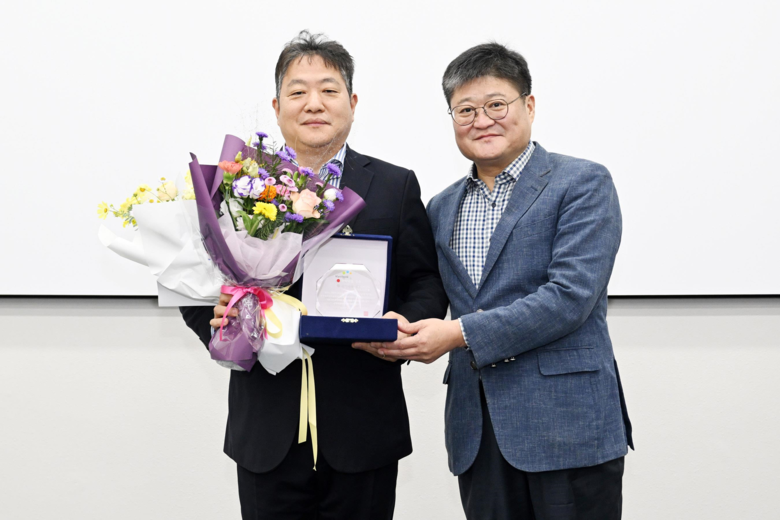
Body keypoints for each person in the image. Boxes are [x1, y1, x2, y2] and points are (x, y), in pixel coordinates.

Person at [180, 30, 448, 520]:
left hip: (363, 426)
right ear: (277, 106)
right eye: (298, 91)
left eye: (328, 90)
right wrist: (224, 326)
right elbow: (191, 282)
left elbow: (425, 281)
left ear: (352, 102)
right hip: (266, 429)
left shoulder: (394, 185)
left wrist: (403, 324)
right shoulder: (235, 184)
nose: (314, 103)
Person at [380, 42, 633, 520]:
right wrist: (392, 323)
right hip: (477, 430)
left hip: (567, 427)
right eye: (466, 110)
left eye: (496, 104)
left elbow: (569, 298)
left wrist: (457, 334)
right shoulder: (440, 206)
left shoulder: (582, 183)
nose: (482, 120)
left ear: (529, 106)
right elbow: (427, 289)